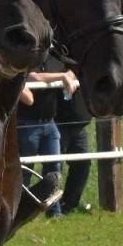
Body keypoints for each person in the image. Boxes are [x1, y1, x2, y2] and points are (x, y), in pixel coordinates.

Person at [18, 59, 78, 216]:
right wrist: (62, 77)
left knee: (54, 168)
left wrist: (67, 75)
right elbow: (33, 78)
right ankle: (20, 210)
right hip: (27, 123)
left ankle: (54, 211)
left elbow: (72, 70)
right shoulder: (30, 58)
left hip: (50, 122)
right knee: (25, 169)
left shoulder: (55, 57)